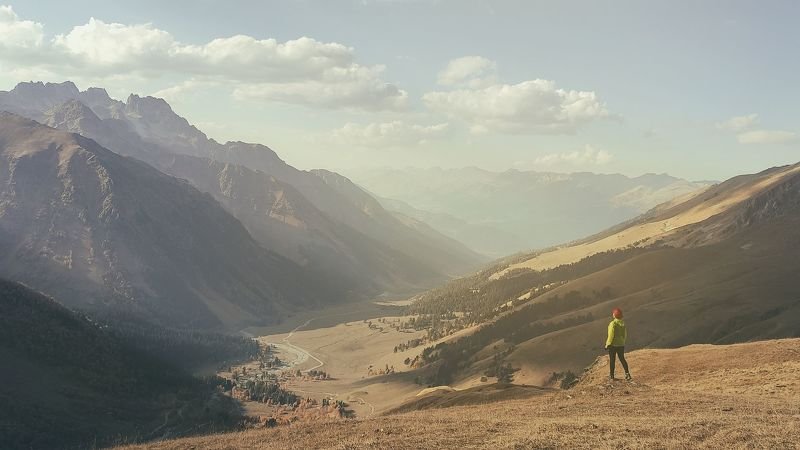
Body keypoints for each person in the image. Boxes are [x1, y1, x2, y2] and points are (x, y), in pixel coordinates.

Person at [605, 307, 631, 381]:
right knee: (622, 359)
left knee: (612, 360)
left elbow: (611, 335)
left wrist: (608, 344)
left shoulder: (613, 323)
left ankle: (612, 376)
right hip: (621, 344)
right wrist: (622, 342)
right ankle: (627, 374)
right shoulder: (623, 324)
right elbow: (625, 335)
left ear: (614, 315)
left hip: (613, 345)